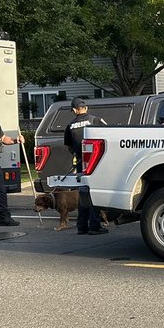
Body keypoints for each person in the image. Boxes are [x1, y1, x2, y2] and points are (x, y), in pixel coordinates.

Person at [64, 97, 108, 235]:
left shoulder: (70, 126)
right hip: (95, 162)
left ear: (74, 110)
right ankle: (95, 226)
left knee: (83, 193)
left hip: (81, 162)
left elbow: (69, 146)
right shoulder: (95, 120)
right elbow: (108, 135)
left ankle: (82, 226)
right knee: (93, 193)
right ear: (86, 108)